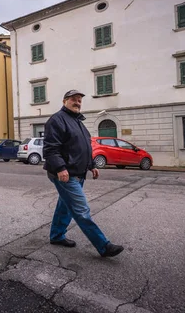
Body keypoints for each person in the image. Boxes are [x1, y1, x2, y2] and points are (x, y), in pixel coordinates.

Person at [43, 89, 124, 258]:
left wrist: (91, 165)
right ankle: (104, 246)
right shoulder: (57, 120)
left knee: (64, 206)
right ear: (65, 101)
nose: (77, 102)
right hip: (66, 174)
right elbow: (51, 149)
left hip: (77, 173)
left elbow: (83, 148)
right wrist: (60, 168)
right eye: (74, 99)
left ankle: (57, 236)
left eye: (79, 100)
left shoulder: (78, 121)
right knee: (81, 210)